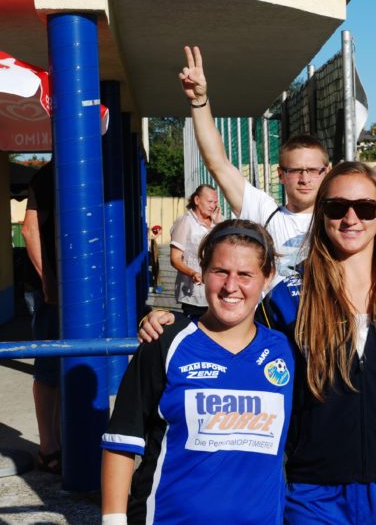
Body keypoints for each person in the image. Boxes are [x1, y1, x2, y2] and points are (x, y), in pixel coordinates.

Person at [139, 162, 376, 524]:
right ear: (321, 213)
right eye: (337, 207)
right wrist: (174, 324)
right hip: (312, 491)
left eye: (366, 207)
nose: (351, 218)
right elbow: (232, 333)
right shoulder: (289, 296)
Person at [178, 44, 376, 287]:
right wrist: (198, 101)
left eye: (313, 170)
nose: (305, 179)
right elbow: (218, 164)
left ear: (326, 172)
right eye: (295, 171)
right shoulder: (264, 211)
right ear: (281, 175)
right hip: (280, 332)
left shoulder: (342, 213)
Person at [101, 219, 294, 524]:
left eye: (245, 274)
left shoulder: (285, 349)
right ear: (203, 271)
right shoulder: (165, 340)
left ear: (267, 277)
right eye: (221, 271)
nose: (231, 286)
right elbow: (121, 440)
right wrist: (113, 521)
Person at [21, 160, 61, 474]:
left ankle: (59, 442)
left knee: (67, 368)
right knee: (48, 369)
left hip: (73, 291)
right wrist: (48, 280)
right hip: (50, 292)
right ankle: (48, 448)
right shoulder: (49, 174)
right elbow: (29, 228)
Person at [169, 184, 219, 318]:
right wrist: (192, 273)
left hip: (217, 292)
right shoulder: (185, 222)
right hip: (195, 295)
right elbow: (175, 259)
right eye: (209, 202)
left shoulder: (217, 223)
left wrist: (220, 223)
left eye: (215, 202)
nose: (213, 206)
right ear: (197, 200)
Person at [148, 225, 162, 292]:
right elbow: (152, 238)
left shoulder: (149, 237)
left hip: (152, 256)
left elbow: (152, 237)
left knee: (155, 270)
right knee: (153, 270)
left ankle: (157, 286)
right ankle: (155, 287)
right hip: (149, 256)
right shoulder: (147, 237)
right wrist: (158, 233)